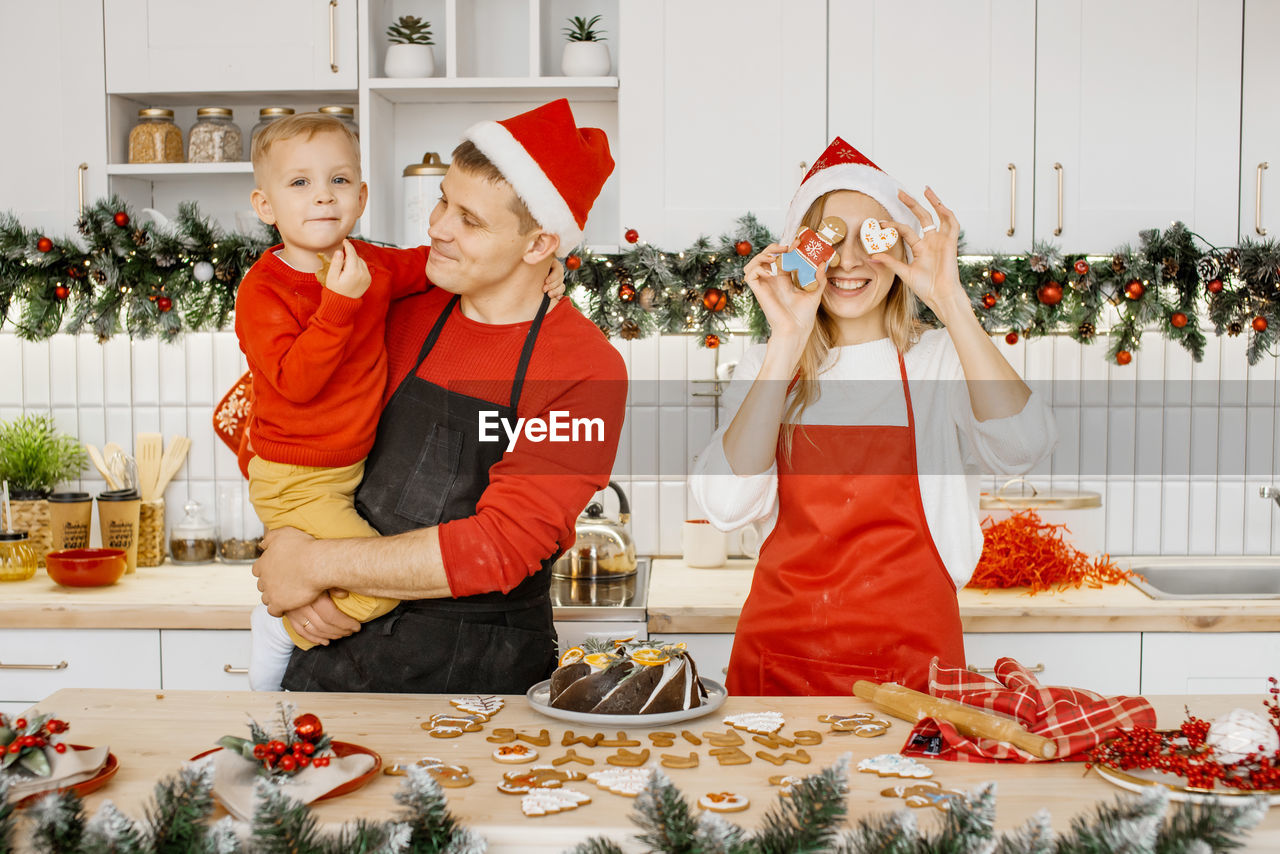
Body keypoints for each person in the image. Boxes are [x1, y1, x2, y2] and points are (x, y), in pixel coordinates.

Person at [251, 99, 628, 695]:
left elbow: (501, 546)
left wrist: (313, 564)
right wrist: (288, 550)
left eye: (469, 220)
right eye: (442, 201)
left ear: (538, 247)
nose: (436, 227)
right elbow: (289, 417)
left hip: (482, 681)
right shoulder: (393, 306)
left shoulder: (584, 370)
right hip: (334, 659)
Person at [689, 138, 1058, 695]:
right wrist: (786, 341)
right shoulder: (769, 364)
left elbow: (1024, 447)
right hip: (779, 668)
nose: (849, 260)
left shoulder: (938, 359)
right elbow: (724, 506)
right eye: (829, 237)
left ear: (899, 250)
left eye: (871, 237)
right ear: (802, 251)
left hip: (914, 675)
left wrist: (951, 301)